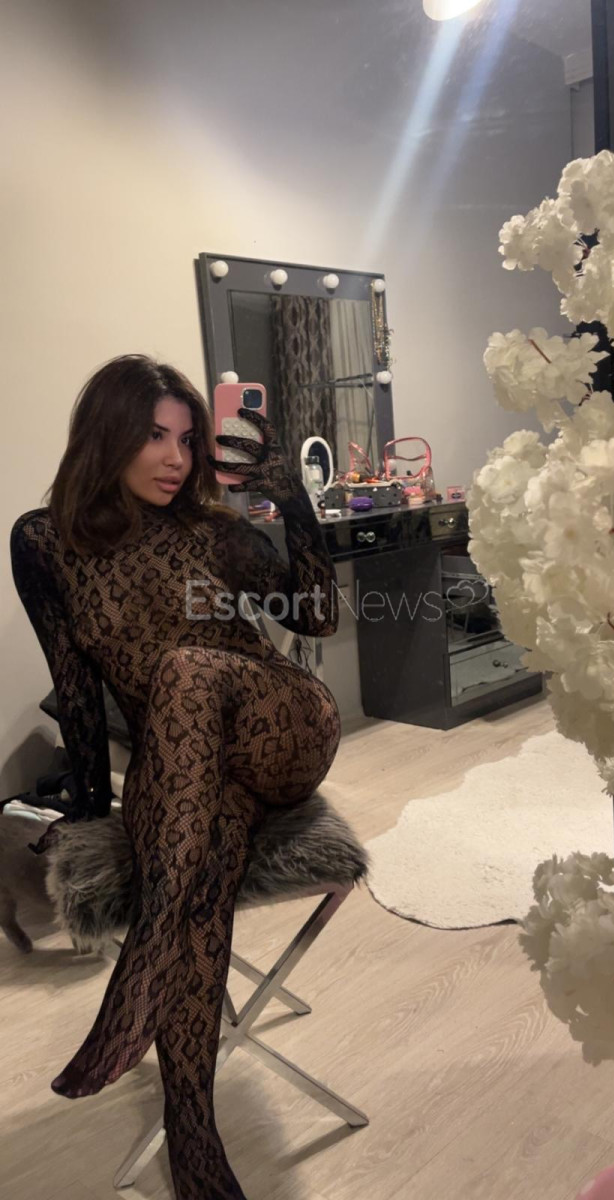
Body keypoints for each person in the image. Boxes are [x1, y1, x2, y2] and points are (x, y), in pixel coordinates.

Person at [9, 354, 341, 1200]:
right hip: (192, 773)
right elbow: (76, 690)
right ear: (106, 437)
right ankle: (192, 1131)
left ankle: (142, 962)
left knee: (187, 669)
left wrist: (291, 500)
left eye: (188, 440)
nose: (175, 458)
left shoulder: (212, 530)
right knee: (198, 880)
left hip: (282, 727)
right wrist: (90, 810)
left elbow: (316, 616)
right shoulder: (43, 542)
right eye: (155, 437)